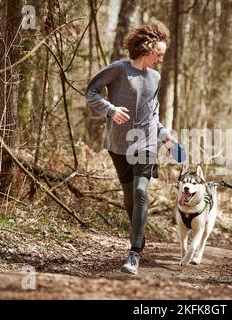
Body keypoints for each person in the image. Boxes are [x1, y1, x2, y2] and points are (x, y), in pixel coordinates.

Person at [85, 19, 174, 275]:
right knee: (128, 198)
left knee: (140, 191)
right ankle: (139, 233)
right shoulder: (119, 70)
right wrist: (111, 110)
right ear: (146, 49)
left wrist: (164, 133)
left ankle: (134, 253)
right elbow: (91, 92)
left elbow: (152, 112)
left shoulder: (155, 78)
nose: (160, 58)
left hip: (145, 141)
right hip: (118, 143)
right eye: (159, 53)